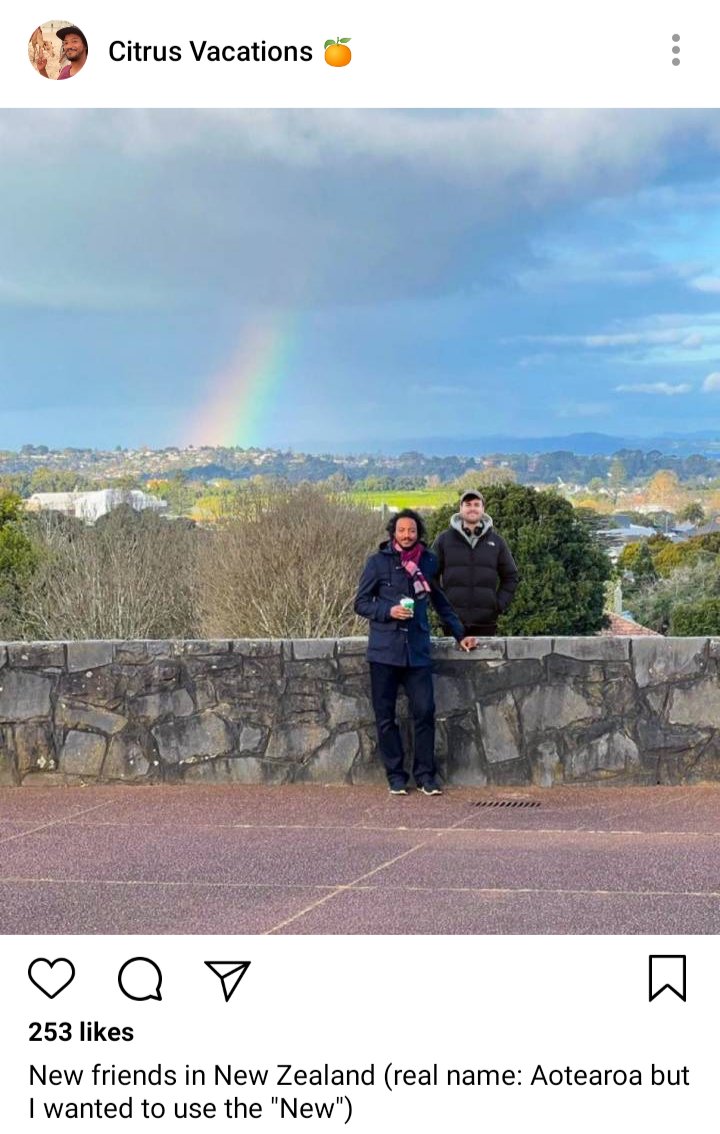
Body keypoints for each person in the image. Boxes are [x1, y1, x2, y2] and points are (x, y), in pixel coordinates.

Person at [354, 508, 476, 796]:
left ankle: (425, 776)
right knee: (385, 717)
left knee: (424, 712)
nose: (407, 535)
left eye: (412, 530)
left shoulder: (428, 562)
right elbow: (360, 603)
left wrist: (460, 634)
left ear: (418, 533)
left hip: (417, 651)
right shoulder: (376, 563)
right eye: (402, 531)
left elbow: (440, 601)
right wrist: (388, 610)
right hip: (384, 652)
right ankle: (396, 776)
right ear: (393, 534)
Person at [432, 490, 518, 637]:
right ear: (460, 508)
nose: (472, 508)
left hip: (486, 622)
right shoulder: (444, 540)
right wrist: (442, 606)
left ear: (483, 509)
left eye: (476, 504)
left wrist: (497, 606)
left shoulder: (497, 542)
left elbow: (511, 576)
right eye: (468, 504)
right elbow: (429, 576)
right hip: (452, 621)